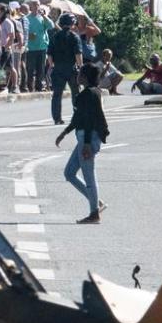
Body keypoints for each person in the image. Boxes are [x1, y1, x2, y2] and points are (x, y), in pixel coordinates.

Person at [56, 64, 108, 224]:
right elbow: (79, 118)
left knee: (89, 176)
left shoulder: (89, 94)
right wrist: (65, 132)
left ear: (85, 77)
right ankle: (96, 202)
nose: (77, 75)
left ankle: (94, 214)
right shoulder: (89, 93)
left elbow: (88, 121)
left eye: (80, 73)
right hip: (85, 137)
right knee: (69, 172)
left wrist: (86, 144)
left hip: (88, 138)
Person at [47, 13, 83, 124]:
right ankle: (78, 117)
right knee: (76, 93)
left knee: (57, 95)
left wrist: (52, 66)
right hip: (71, 68)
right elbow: (78, 54)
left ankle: (57, 118)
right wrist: (80, 67)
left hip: (58, 68)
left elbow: (49, 54)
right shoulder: (74, 37)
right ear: (72, 24)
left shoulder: (55, 36)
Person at [24, 2, 51, 92]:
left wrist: (45, 16)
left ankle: (39, 87)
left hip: (42, 47)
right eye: (34, 5)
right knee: (30, 69)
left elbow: (51, 26)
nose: (36, 6)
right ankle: (30, 87)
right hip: (30, 48)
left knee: (41, 69)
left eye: (37, 5)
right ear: (30, 6)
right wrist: (29, 36)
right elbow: (24, 31)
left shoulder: (43, 18)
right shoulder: (27, 18)